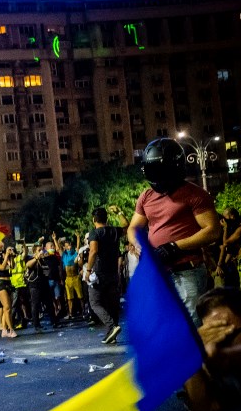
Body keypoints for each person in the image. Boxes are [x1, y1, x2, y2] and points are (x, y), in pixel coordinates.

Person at [127, 137, 221, 328]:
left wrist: (174, 247)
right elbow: (133, 228)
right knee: (164, 326)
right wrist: (139, 246)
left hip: (187, 271)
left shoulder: (195, 194)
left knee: (190, 327)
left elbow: (212, 231)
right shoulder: (146, 196)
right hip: (158, 272)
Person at [84, 205, 129, 344]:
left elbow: (93, 251)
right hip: (113, 273)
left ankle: (112, 326)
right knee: (112, 303)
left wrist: (88, 270)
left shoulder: (95, 233)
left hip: (99, 273)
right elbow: (127, 226)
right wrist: (119, 212)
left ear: (93, 220)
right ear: (107, 218)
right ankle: (112, 334)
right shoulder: (114, 231)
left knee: (95, 302)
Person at [0, 240, 17, 338]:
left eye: (1, 249)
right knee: (7, 308)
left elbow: (12, 266)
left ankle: (4, 330)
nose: (0, 251)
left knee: (7, 307)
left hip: (9, 283)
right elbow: (1, 267)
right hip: (1, 284)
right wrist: (6, 257)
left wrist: (11, 257)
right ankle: (11, 329)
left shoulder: (4, 258)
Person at [215, 207, 241, 289]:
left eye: (225, 217)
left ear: (232, 216)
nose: (223, 220)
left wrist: (219, 265)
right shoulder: (233, 227)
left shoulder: (239, 228)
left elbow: (225, 243)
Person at [60, 232, 83, 319]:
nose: (69, 247)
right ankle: (70, 313)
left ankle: (83, 311)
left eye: (69, 245)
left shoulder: (74, 254)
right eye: (67, 246)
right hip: (68, 278)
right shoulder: (64, 255)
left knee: (80, 296)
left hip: (75, 277)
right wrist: (55, 239)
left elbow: (77, 248)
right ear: (65, 247)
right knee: (69, 298)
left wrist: (78, 238)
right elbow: (59, 248)